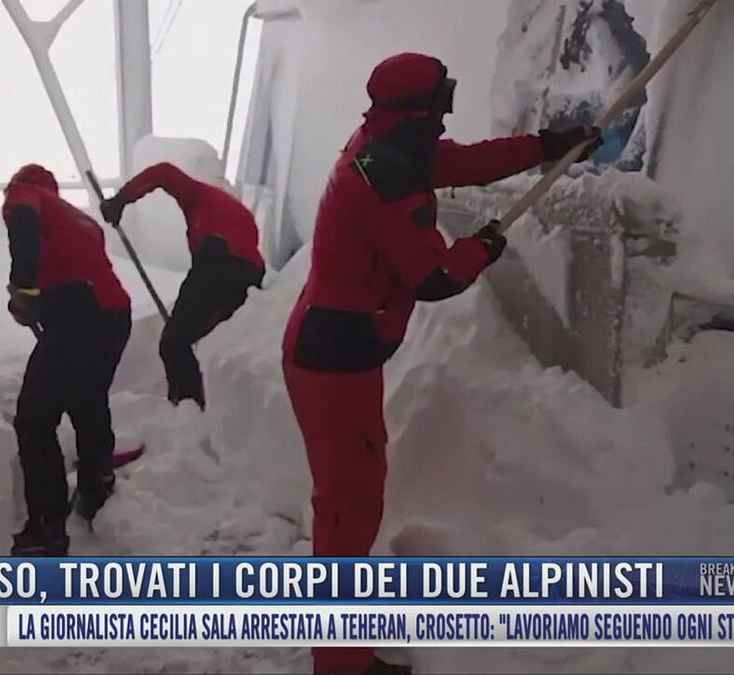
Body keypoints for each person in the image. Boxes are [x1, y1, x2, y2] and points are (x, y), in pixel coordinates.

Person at [281, 53, 600, 675]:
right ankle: (340, 664)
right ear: (420, 109)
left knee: (351, 503)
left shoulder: (382, 141)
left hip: (339, 343)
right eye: (443, 99)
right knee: (350, 510)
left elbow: (462, 162)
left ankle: (342, 652)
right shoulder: (389, 179)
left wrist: (545, 146)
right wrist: (482, 247)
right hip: (333, 358)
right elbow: (433, 277)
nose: (447, 114)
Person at [3, 163, 132, 556]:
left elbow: (23, 222)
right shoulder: (79, 219)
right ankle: (97, 480)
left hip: (80, 312)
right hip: (114, 314)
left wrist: (24, 290)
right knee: (87, 397)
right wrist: (37, 305)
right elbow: (69, 269)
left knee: (35, 419)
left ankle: (47, 526)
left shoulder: (24, 196)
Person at [101, 162, 265, 410]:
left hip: (217, 259)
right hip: (249, 273)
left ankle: (186, 410)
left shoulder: (197, 195)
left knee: (173, 342)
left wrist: (121, 199)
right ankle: (206, 404)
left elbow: (164, 172)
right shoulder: (226, 210)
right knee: (198, 339)